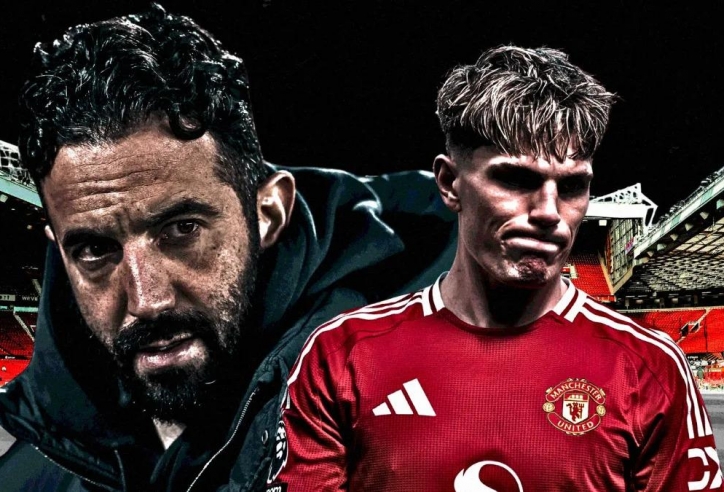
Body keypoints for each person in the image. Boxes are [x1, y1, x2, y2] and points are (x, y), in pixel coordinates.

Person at [0, 5, 457, 491]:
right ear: (60, 249)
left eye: (182, 230)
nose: (147, 300)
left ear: (268, 214)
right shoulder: (31, 466)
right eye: (95, 250)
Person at [269, 46, 723, 491]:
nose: (549, 212)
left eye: (571, 187)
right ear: (450, 183)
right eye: (517, 180)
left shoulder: (649, 367)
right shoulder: (341, 354)